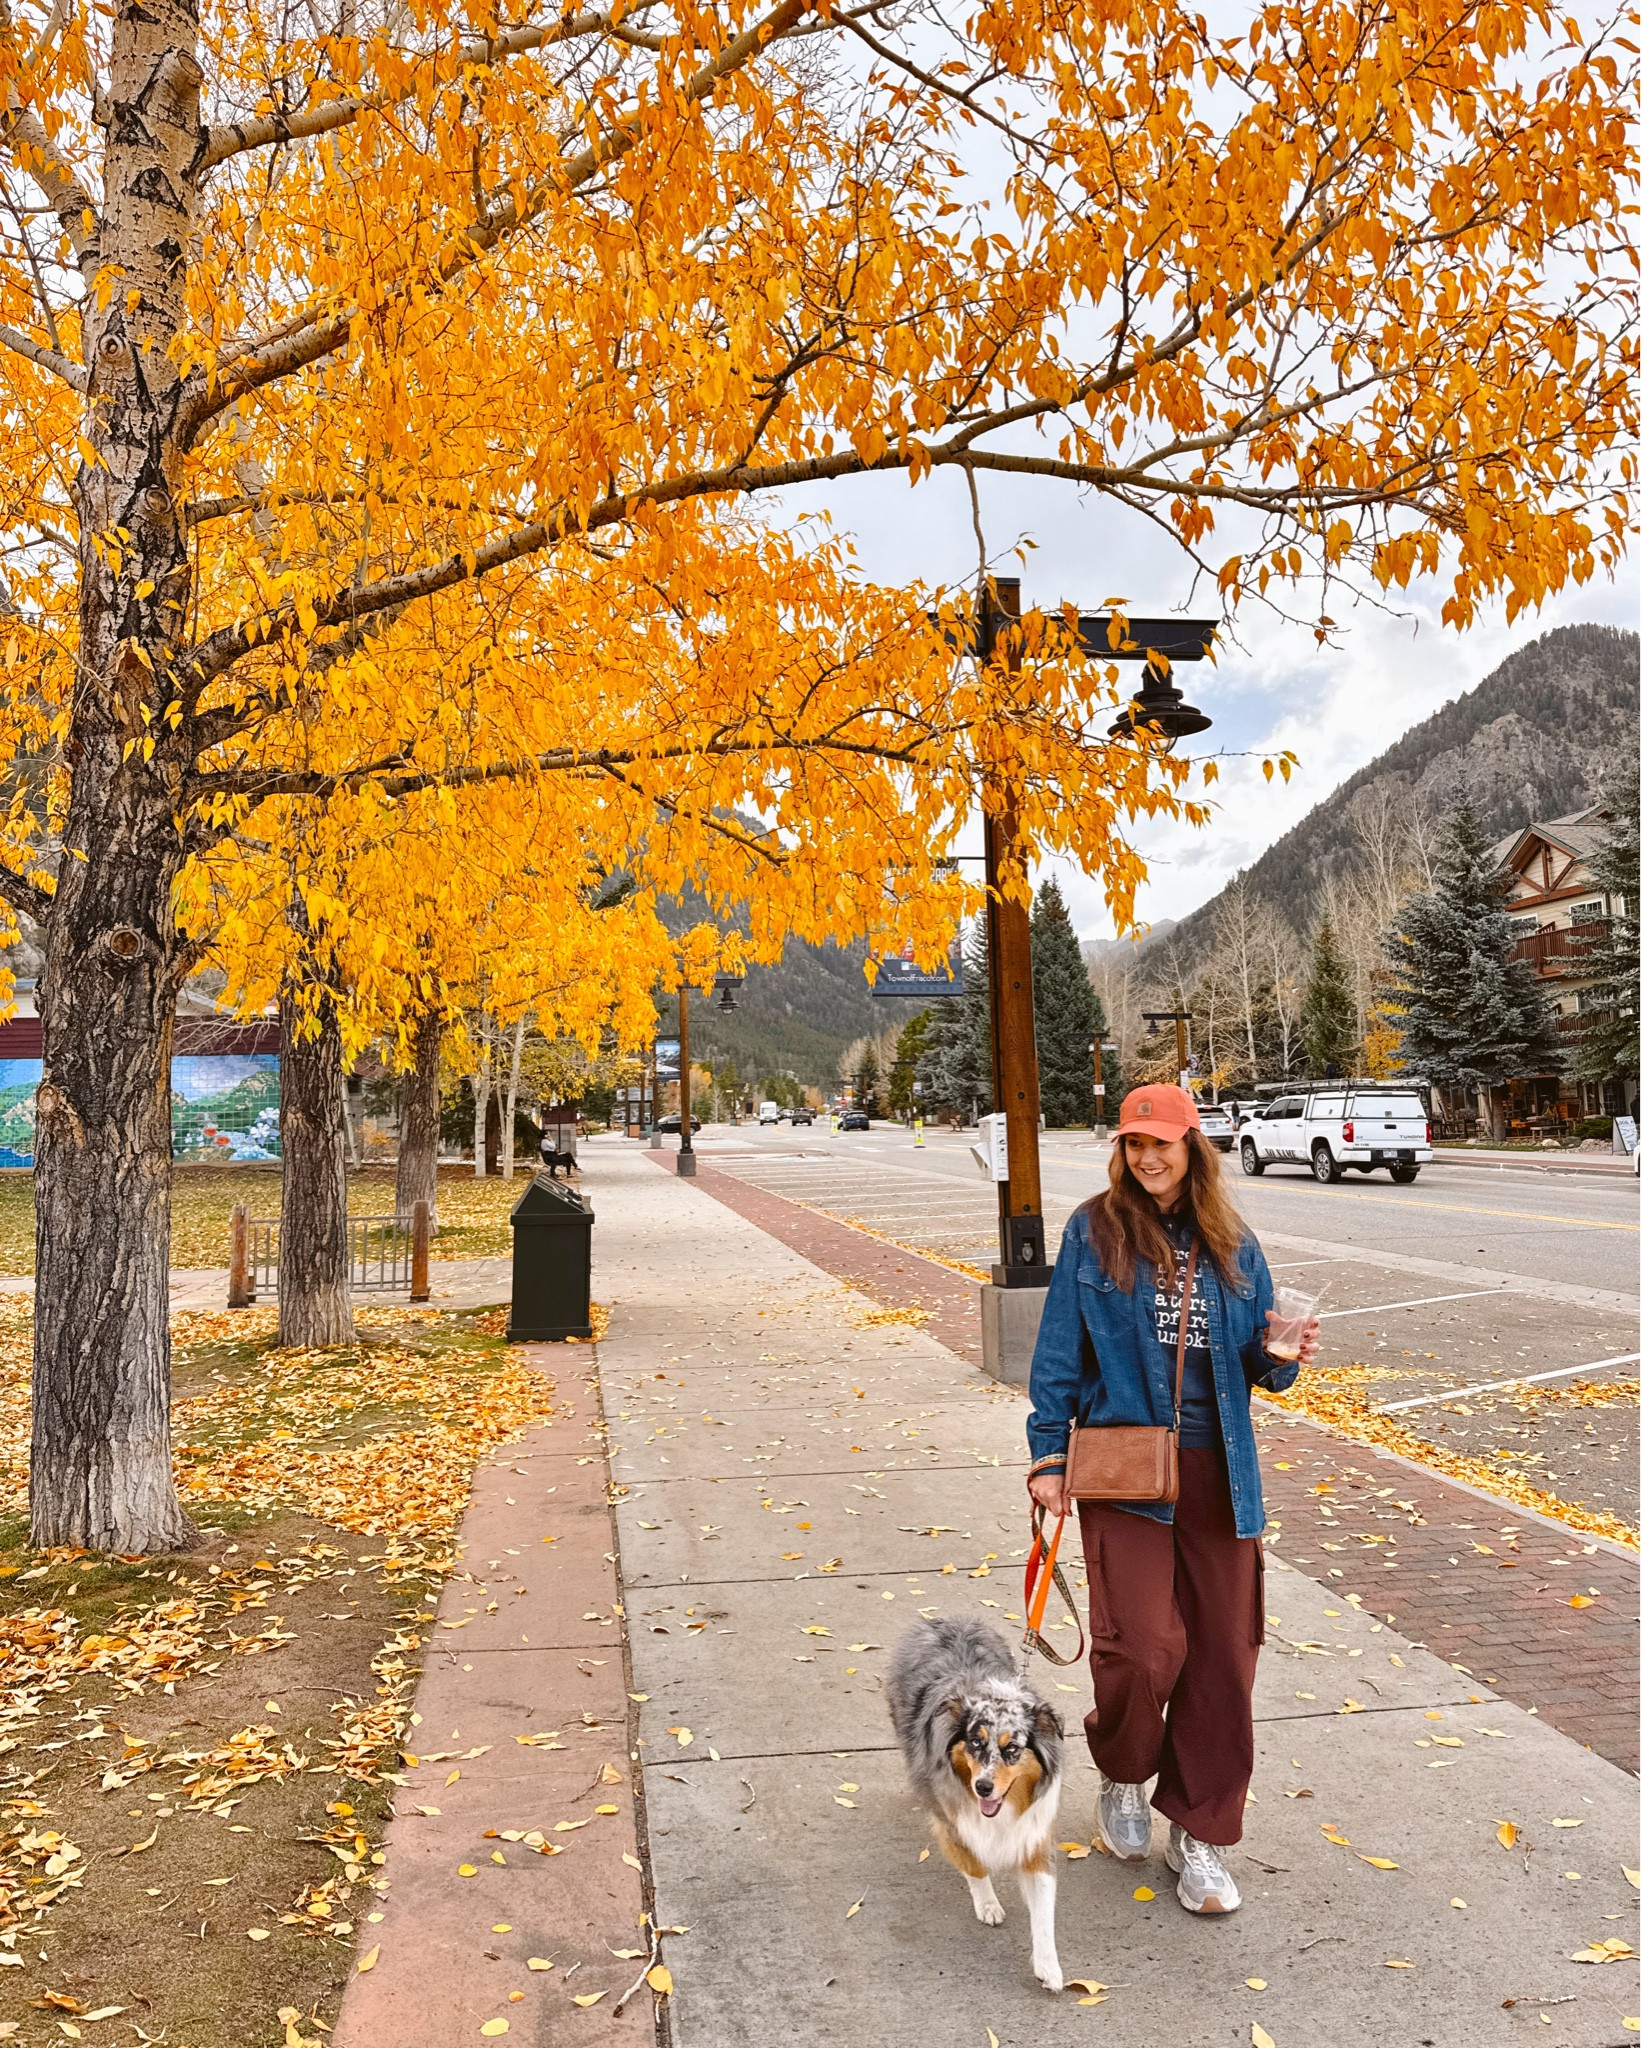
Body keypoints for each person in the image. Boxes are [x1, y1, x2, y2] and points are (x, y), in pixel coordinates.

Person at [1024, 1083, 1319, 1915]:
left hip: (1219, 1471)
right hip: (1124, 1468)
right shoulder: (1093, 1230)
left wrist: (1282, 1356)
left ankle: (1201, 1831)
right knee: (1140, 1646)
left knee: (1224, 1654)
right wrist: (1048, 1453)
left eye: (1161, 1143)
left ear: (1193, 1146)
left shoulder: (1233, 1241)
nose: (1146, 1157)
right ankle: (1124, 1771)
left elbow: (1261, 1366)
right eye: (1133, 1143)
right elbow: (1058, 1347)